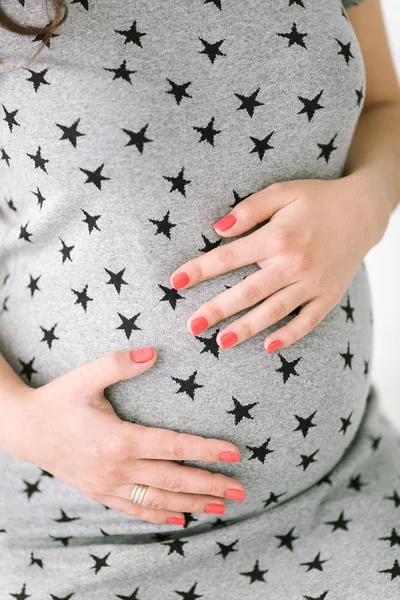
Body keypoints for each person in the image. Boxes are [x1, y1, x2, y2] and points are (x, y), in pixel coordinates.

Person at [0, 0, 399, 597]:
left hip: (349, 495)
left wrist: (366, 203)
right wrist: (23, 424)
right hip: (79, 537)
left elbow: (385, 106)